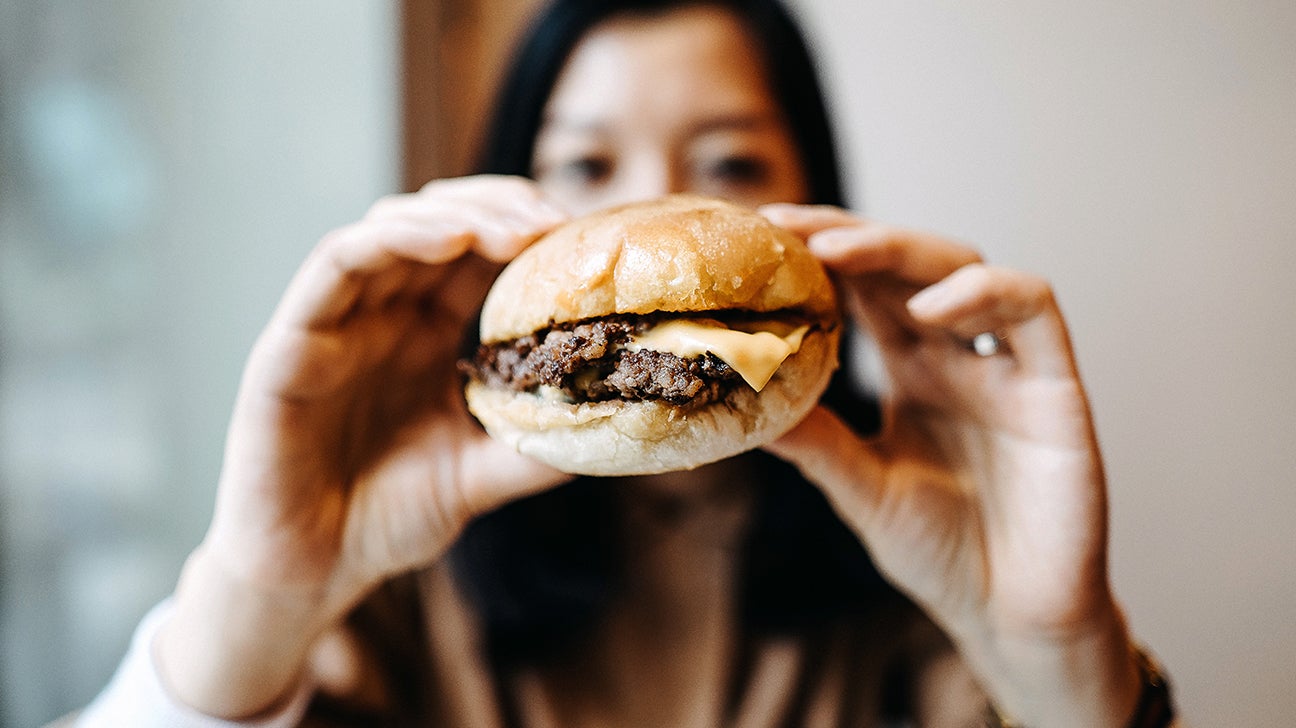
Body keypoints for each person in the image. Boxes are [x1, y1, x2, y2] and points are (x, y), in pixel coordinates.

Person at [68, 0, 1177, 726]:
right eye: (587, 161)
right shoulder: (392, 583)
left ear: (814, 199)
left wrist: (1058, 653)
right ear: (509, 200)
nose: (652, 210)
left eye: (730, 159)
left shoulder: (924, 570)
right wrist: (257, 595)